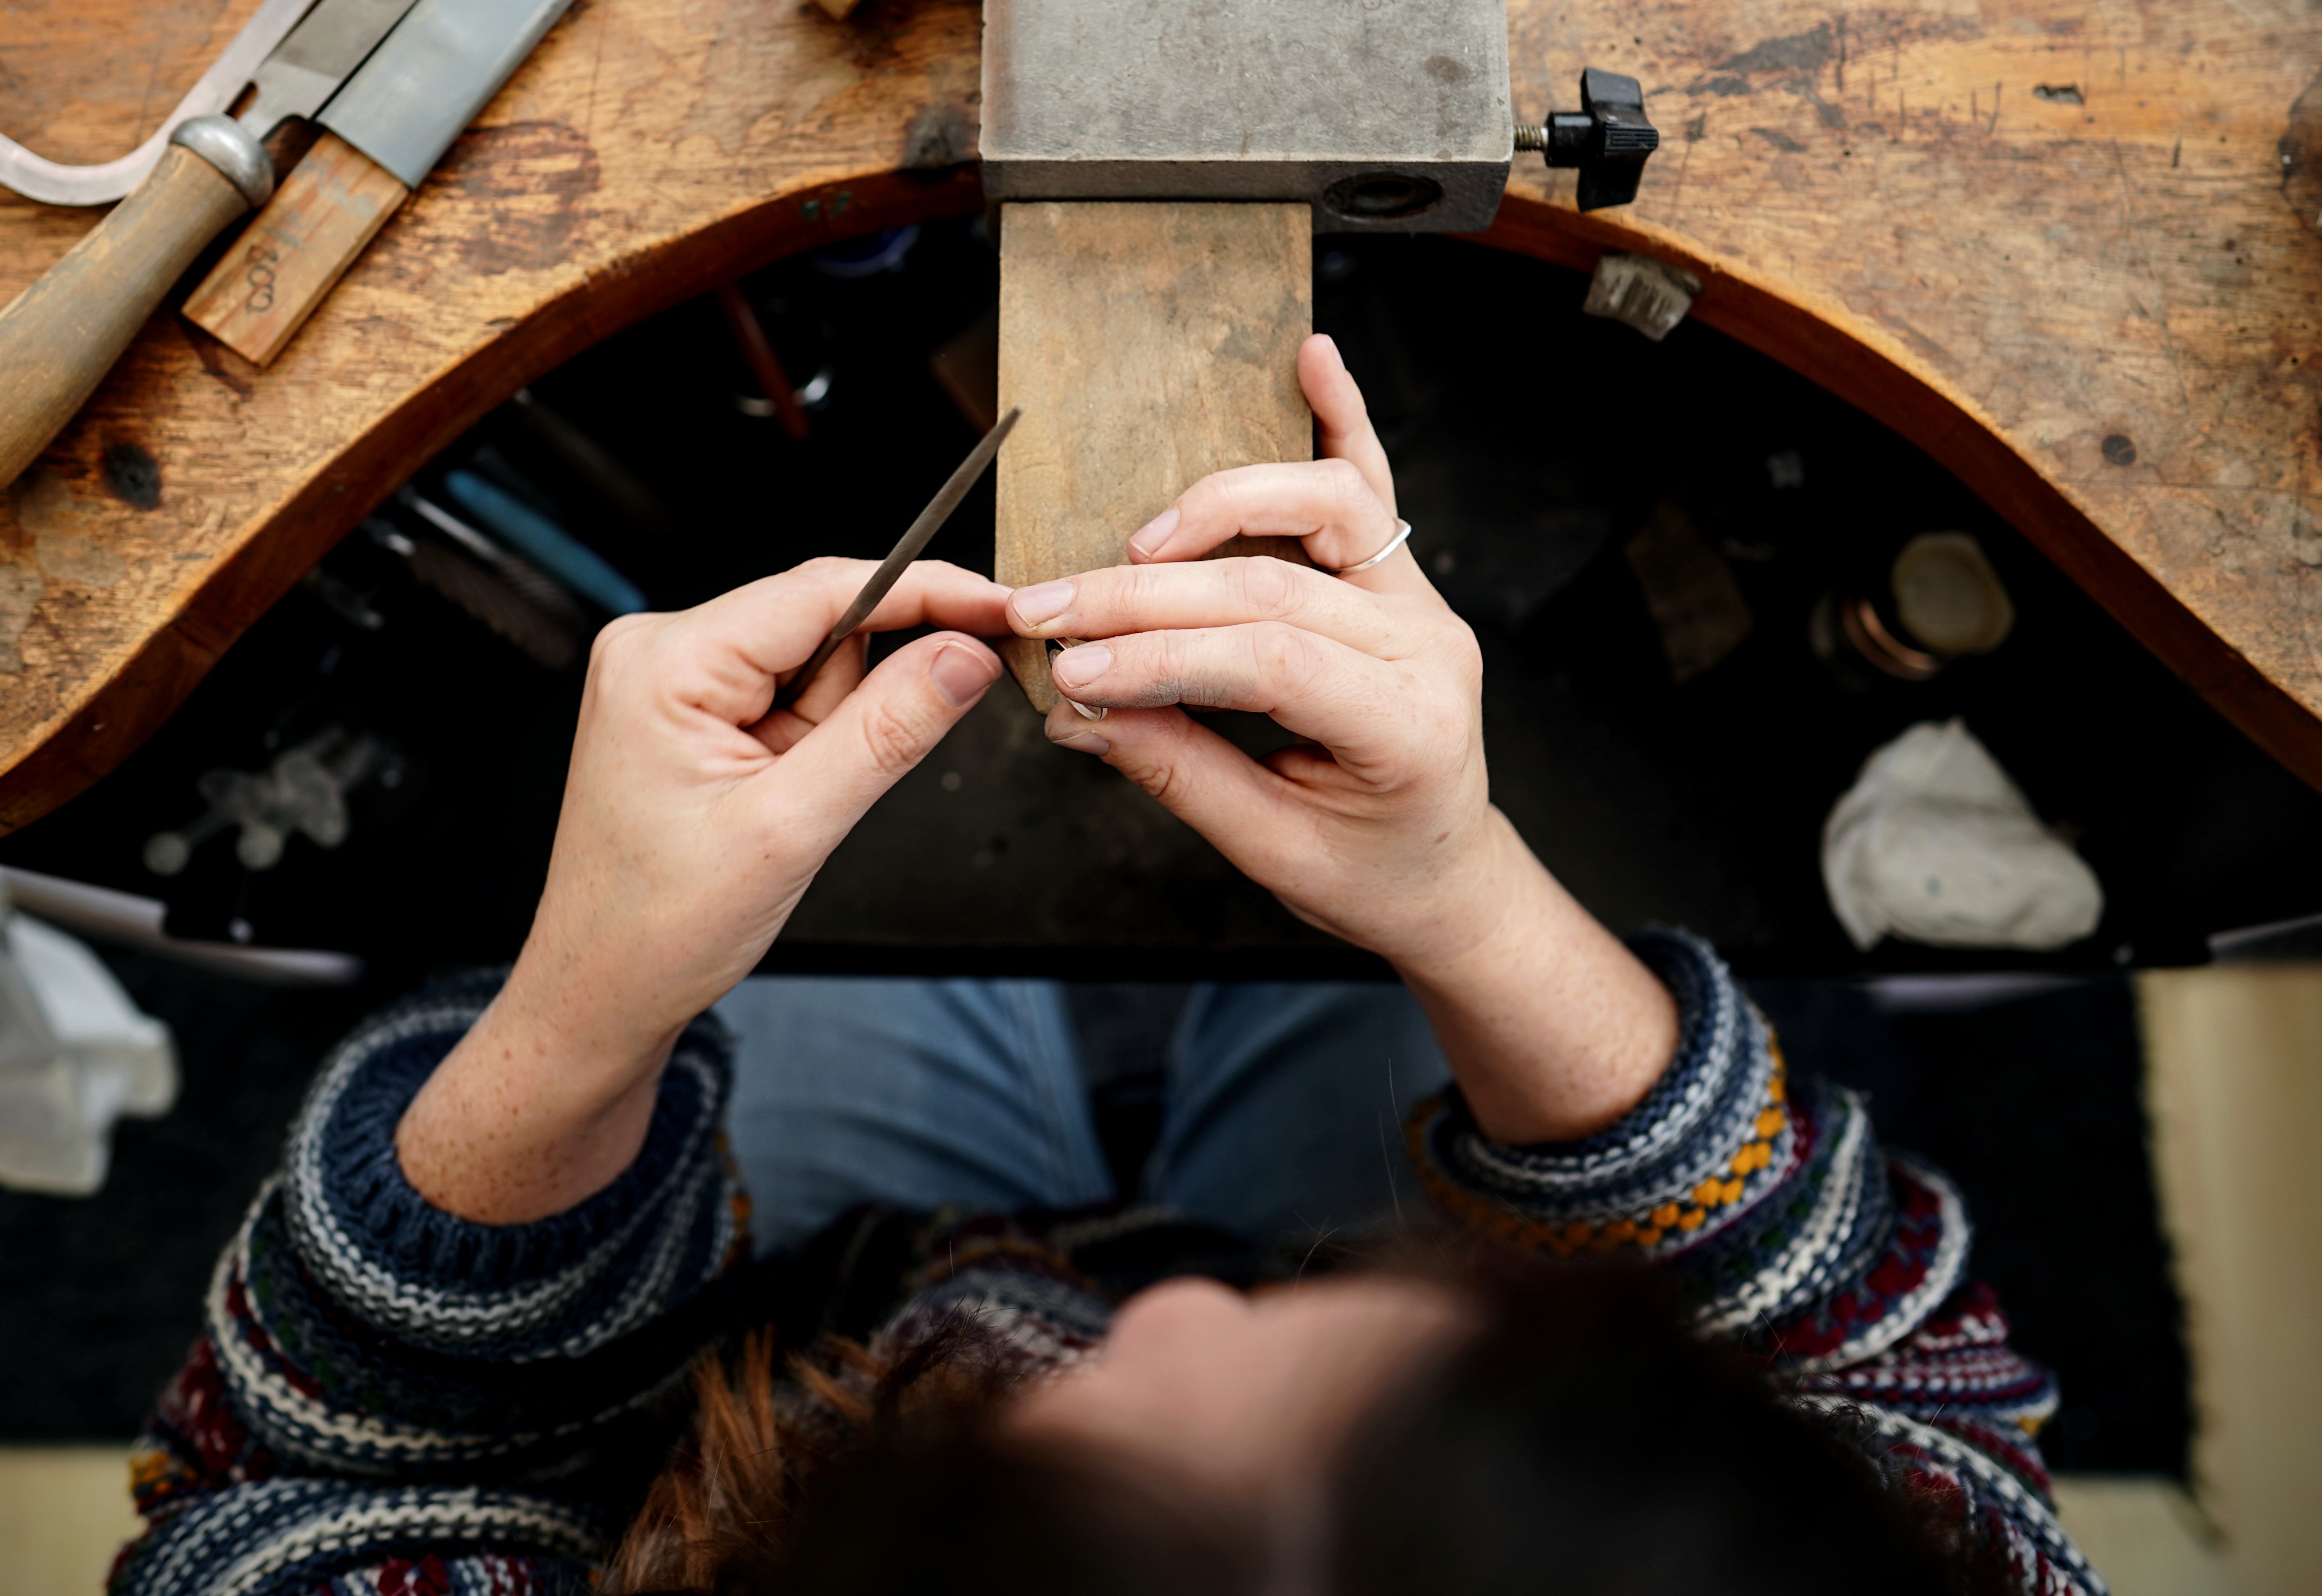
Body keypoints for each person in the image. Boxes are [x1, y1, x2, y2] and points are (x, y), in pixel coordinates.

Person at [111, 337, 2100, 1596]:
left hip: (792, 1344)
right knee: (1332, 980)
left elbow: (286, 1482)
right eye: (1453, 1350)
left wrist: (587, 1010)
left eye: (1103, 1425)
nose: (1186, 1307)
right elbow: (1887, 1368)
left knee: (842, 974)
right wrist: (1461, 894)